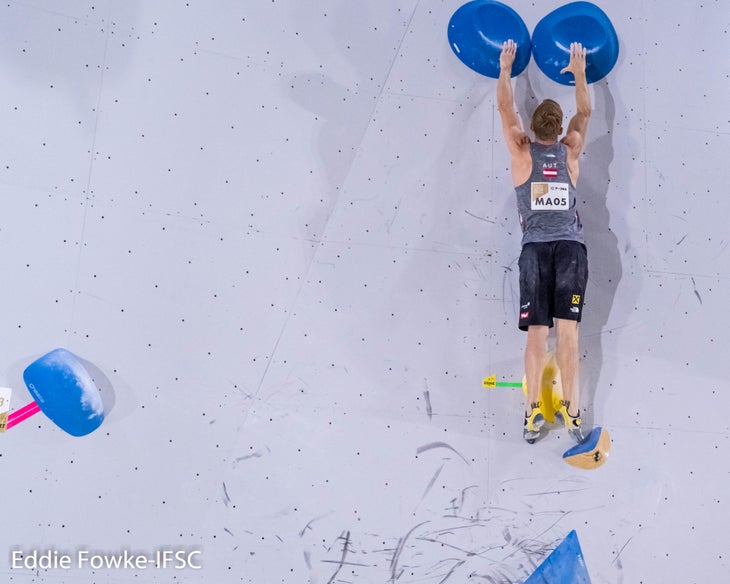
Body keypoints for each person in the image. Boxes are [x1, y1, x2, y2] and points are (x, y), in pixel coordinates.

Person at [496, 40, 591, 444]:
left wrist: (505, 70)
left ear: (534, 129)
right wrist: (580, 72)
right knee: (567, 332)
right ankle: (572, 415)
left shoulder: (521, 153)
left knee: (539, 334)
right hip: (569, 249)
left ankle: (533, 413)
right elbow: (584, 112)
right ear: (560, 129)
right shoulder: (572, 151)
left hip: (535, 250)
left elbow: (505, 109)